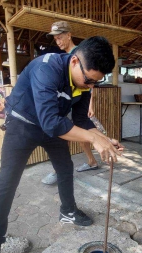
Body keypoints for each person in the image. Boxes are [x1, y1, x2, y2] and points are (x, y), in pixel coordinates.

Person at [0, 36, 121, 253]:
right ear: (75, 61)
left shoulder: (84, 83)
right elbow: (50, 121)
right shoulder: (47, 67)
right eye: (89, 80)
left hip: (54, 125)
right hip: (23, 124)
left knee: (65, 167)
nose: (90, 87)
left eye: (96, 82)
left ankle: (68, 211)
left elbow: (81, 120)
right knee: (7, 181)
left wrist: (103, 137)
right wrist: (94, 140)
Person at [42, 21, 101, 185]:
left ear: (69, 35)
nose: (58, 41)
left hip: (77, 101)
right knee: (76, 133)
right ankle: (91, 161)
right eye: (55, 39)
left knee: (65, 133)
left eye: (60, 37)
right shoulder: (65, 56)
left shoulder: (79, 55)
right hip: (69, 101)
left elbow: (90, 83)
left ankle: (59, 170)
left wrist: (90, 105)